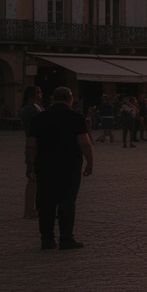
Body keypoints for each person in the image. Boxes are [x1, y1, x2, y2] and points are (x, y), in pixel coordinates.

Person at [27, 87, 93, 250]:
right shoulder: (76, 117)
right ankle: (66, 238)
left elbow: (31, 145)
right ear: (70, 99)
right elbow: (84, 143)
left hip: (45, 164)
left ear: (52, 99)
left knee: (45, 202)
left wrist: (31, 165)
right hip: (69, 165)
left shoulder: (39, 117)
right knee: (67, 201)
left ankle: (47, 239)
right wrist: (90, 162)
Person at [19, 86, 44, 219]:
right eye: (39, 92)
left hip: (35, 144)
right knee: (33, 177)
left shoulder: (33, 108)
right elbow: (35, 129)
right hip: (34, 145)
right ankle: (29, 210)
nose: (41, 94)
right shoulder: (31, 109)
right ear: (32, 95)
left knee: (37, 178)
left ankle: (36, 208)